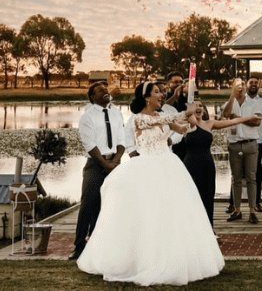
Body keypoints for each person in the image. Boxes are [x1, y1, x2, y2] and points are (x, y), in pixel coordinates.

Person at [77, 82, 224, 285]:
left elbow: (181, 130)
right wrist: (183, 113)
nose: (161, 95)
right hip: (148, 168)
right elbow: (168, 119)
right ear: (147, 97)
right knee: (149, 214)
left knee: (173, 213)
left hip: (169, 166)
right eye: (156, 92)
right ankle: (143, 260)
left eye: (161, 92)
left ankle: (174, 257)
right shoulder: (139, 119)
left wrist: (191, 118)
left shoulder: (160, 118)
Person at [70, 82, 126, 261]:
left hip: (115, 163)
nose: (106, 92)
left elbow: (121, 138)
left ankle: (100, 244)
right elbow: (90, 144)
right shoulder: (87, 117)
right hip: (95, 164)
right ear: (92, 97)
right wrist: (104, 164)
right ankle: (79, 246)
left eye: (106, 90)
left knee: (109, 205)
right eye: (101, 91)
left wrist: (116, 160)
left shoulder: (116, 113)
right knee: (88, 204)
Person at [222, 77, 262, 222]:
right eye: (236, 85)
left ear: (245, 87)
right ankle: (237, 210)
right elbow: (226, 115)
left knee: (252, 178)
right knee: (236, 179)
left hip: (251, 144)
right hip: (234, 144)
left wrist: (237, 118)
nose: (240, 87)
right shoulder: (230, 102)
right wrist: (232, 96)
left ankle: (252, 211)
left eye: (241, 85)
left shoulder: (254, 103)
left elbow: (256, 122)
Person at [164, 72, 190, 160]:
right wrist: (175, 96)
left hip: (186, 140)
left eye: (180, 82)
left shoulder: (187, 98)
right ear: (168, 84)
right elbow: (162, 110)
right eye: (175, 82)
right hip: (170, 141)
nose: (178, 84)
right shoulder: (164, 97)